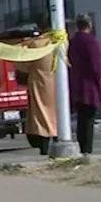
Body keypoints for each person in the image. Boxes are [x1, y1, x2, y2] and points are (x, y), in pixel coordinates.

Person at [15, 18, 59, 156]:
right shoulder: (60, 42)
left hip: (40, 82)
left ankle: (44, 148)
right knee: (58, 115)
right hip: (58, 83)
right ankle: (59, 138)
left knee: (42, 115)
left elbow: (23, 64)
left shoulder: (35, 44)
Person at [67, 13, 101, 155]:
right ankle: (87, 149)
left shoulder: (72, 42)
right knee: (89, 119)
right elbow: (97, 66)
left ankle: (82, 147)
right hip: (89, 86)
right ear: (90, 25)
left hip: (76, 84)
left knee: (81, 119)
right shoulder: (91, 42)